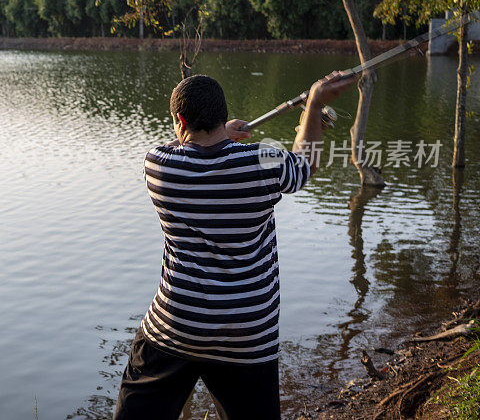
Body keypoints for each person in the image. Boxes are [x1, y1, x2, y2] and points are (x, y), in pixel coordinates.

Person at [113, 71, 358, 420]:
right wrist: (314, 105)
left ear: (180, 120)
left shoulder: (158, 165)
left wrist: (220, 137)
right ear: (222, 115)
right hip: (248, 333)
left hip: (178, 324)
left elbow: (189, 146)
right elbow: (304, 164)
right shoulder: (260, 160)